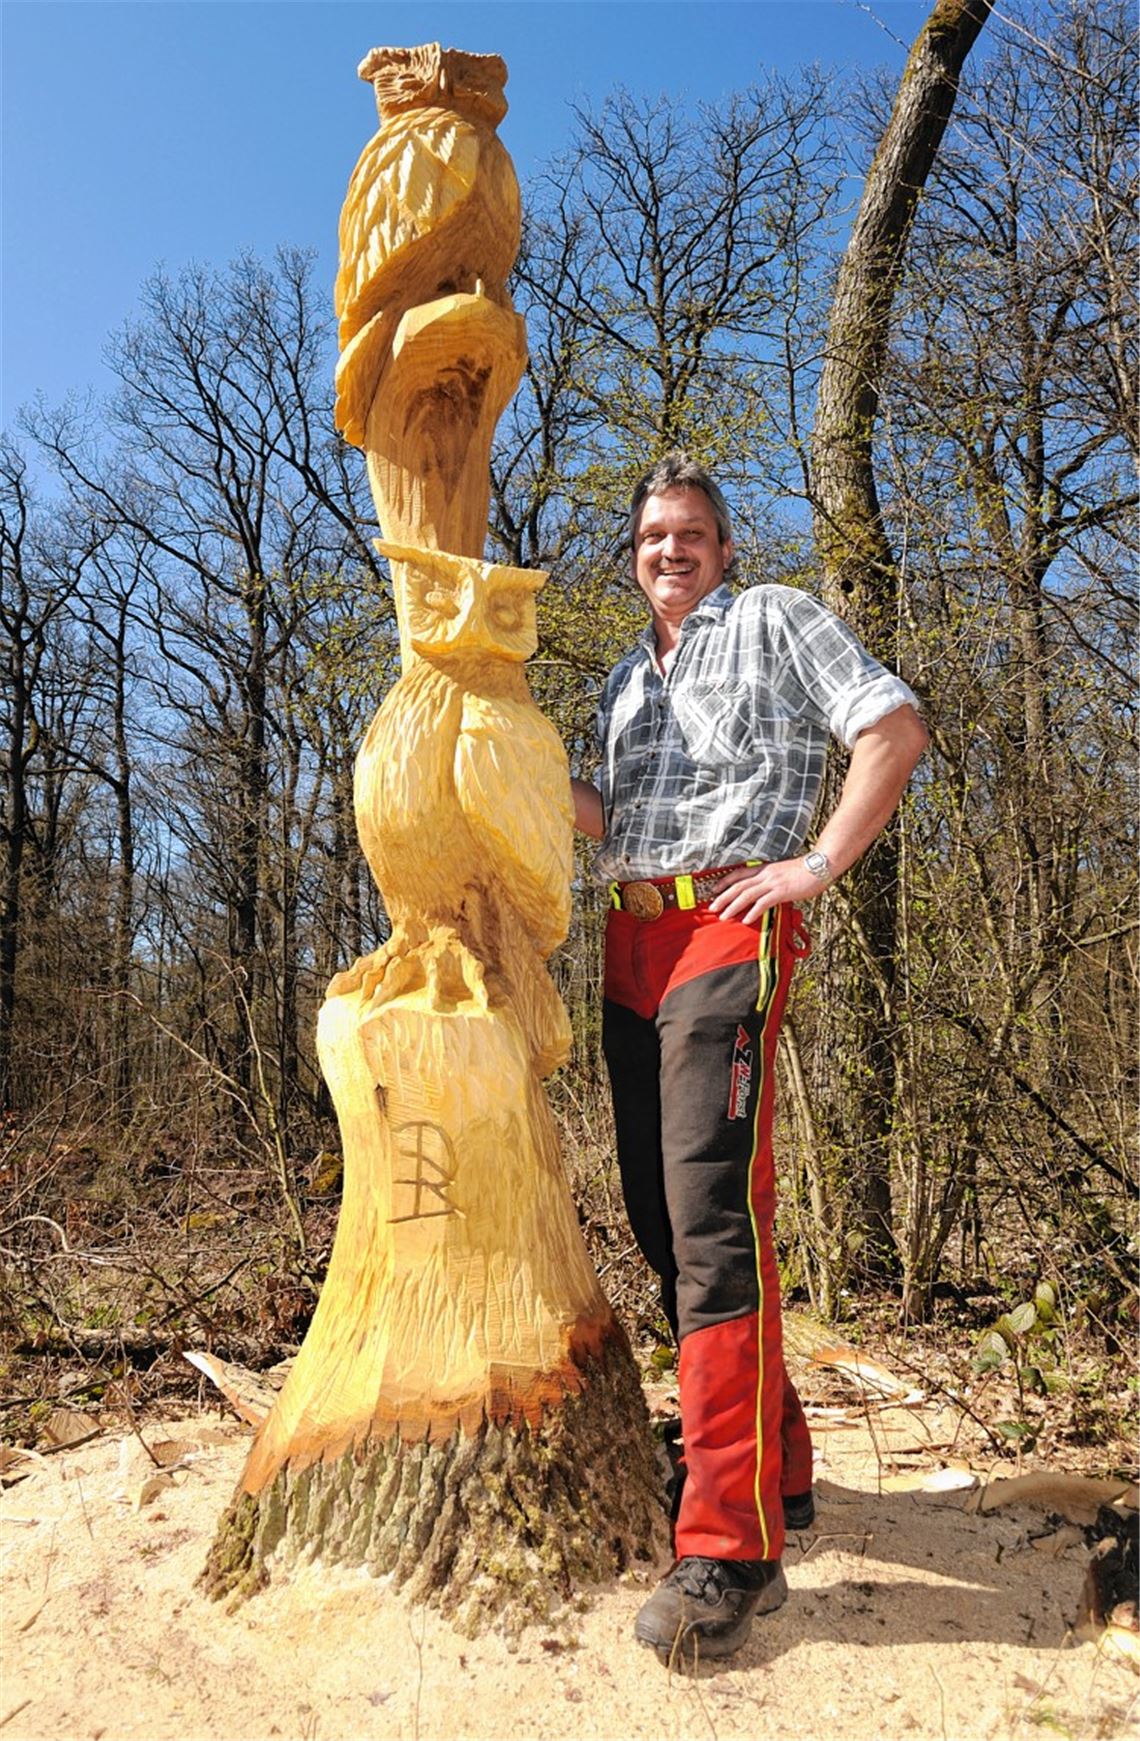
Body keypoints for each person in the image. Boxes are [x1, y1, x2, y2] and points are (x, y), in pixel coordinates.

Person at [571, 453, 928, 1664]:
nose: (670, 550)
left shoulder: (774, 620)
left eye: (691, 534)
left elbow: (892, 725)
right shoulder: (622, 680)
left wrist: (816, 866)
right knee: (660, 1224)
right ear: (635, 557)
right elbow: (604, 815)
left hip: (728, 928)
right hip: (629, 941)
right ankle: (782, 1467)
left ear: (724, 549)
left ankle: (731, 1542)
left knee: (714, 1218)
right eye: (652, 537)